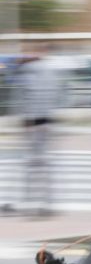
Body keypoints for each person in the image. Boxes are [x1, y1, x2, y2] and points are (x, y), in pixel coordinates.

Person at [11, 44, 60, 217]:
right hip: (47, 122)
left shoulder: (29, 70)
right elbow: (54, 95)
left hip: (34, 124)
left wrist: (28, 122)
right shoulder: (49, 70)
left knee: (31, 164)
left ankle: (31, 204)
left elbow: (29, 95)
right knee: (45, 164)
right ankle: (47, 203)